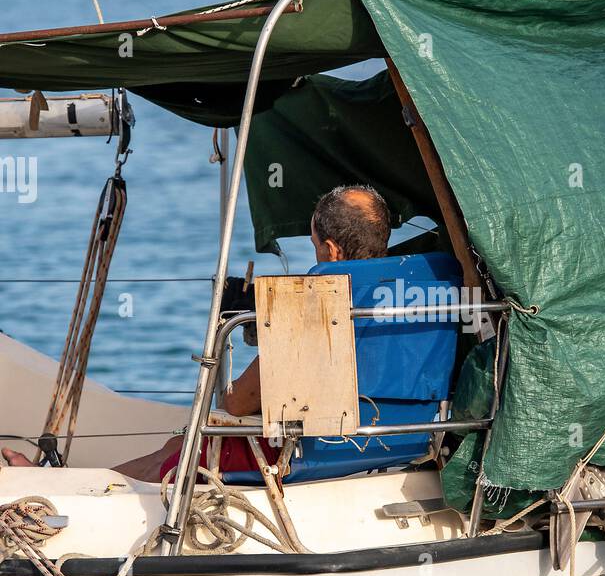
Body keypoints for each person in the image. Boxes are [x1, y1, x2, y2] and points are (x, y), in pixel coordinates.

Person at [1, 185, 392, 481]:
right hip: (387, 442)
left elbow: (238, 405)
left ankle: (63, 490)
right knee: (179, 443)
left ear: (331, 250)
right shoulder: (410, 296)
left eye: (314, 247)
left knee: (178, 456)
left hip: (309, 453)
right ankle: (68, 482)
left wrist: (237, 354)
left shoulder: (319, 303)